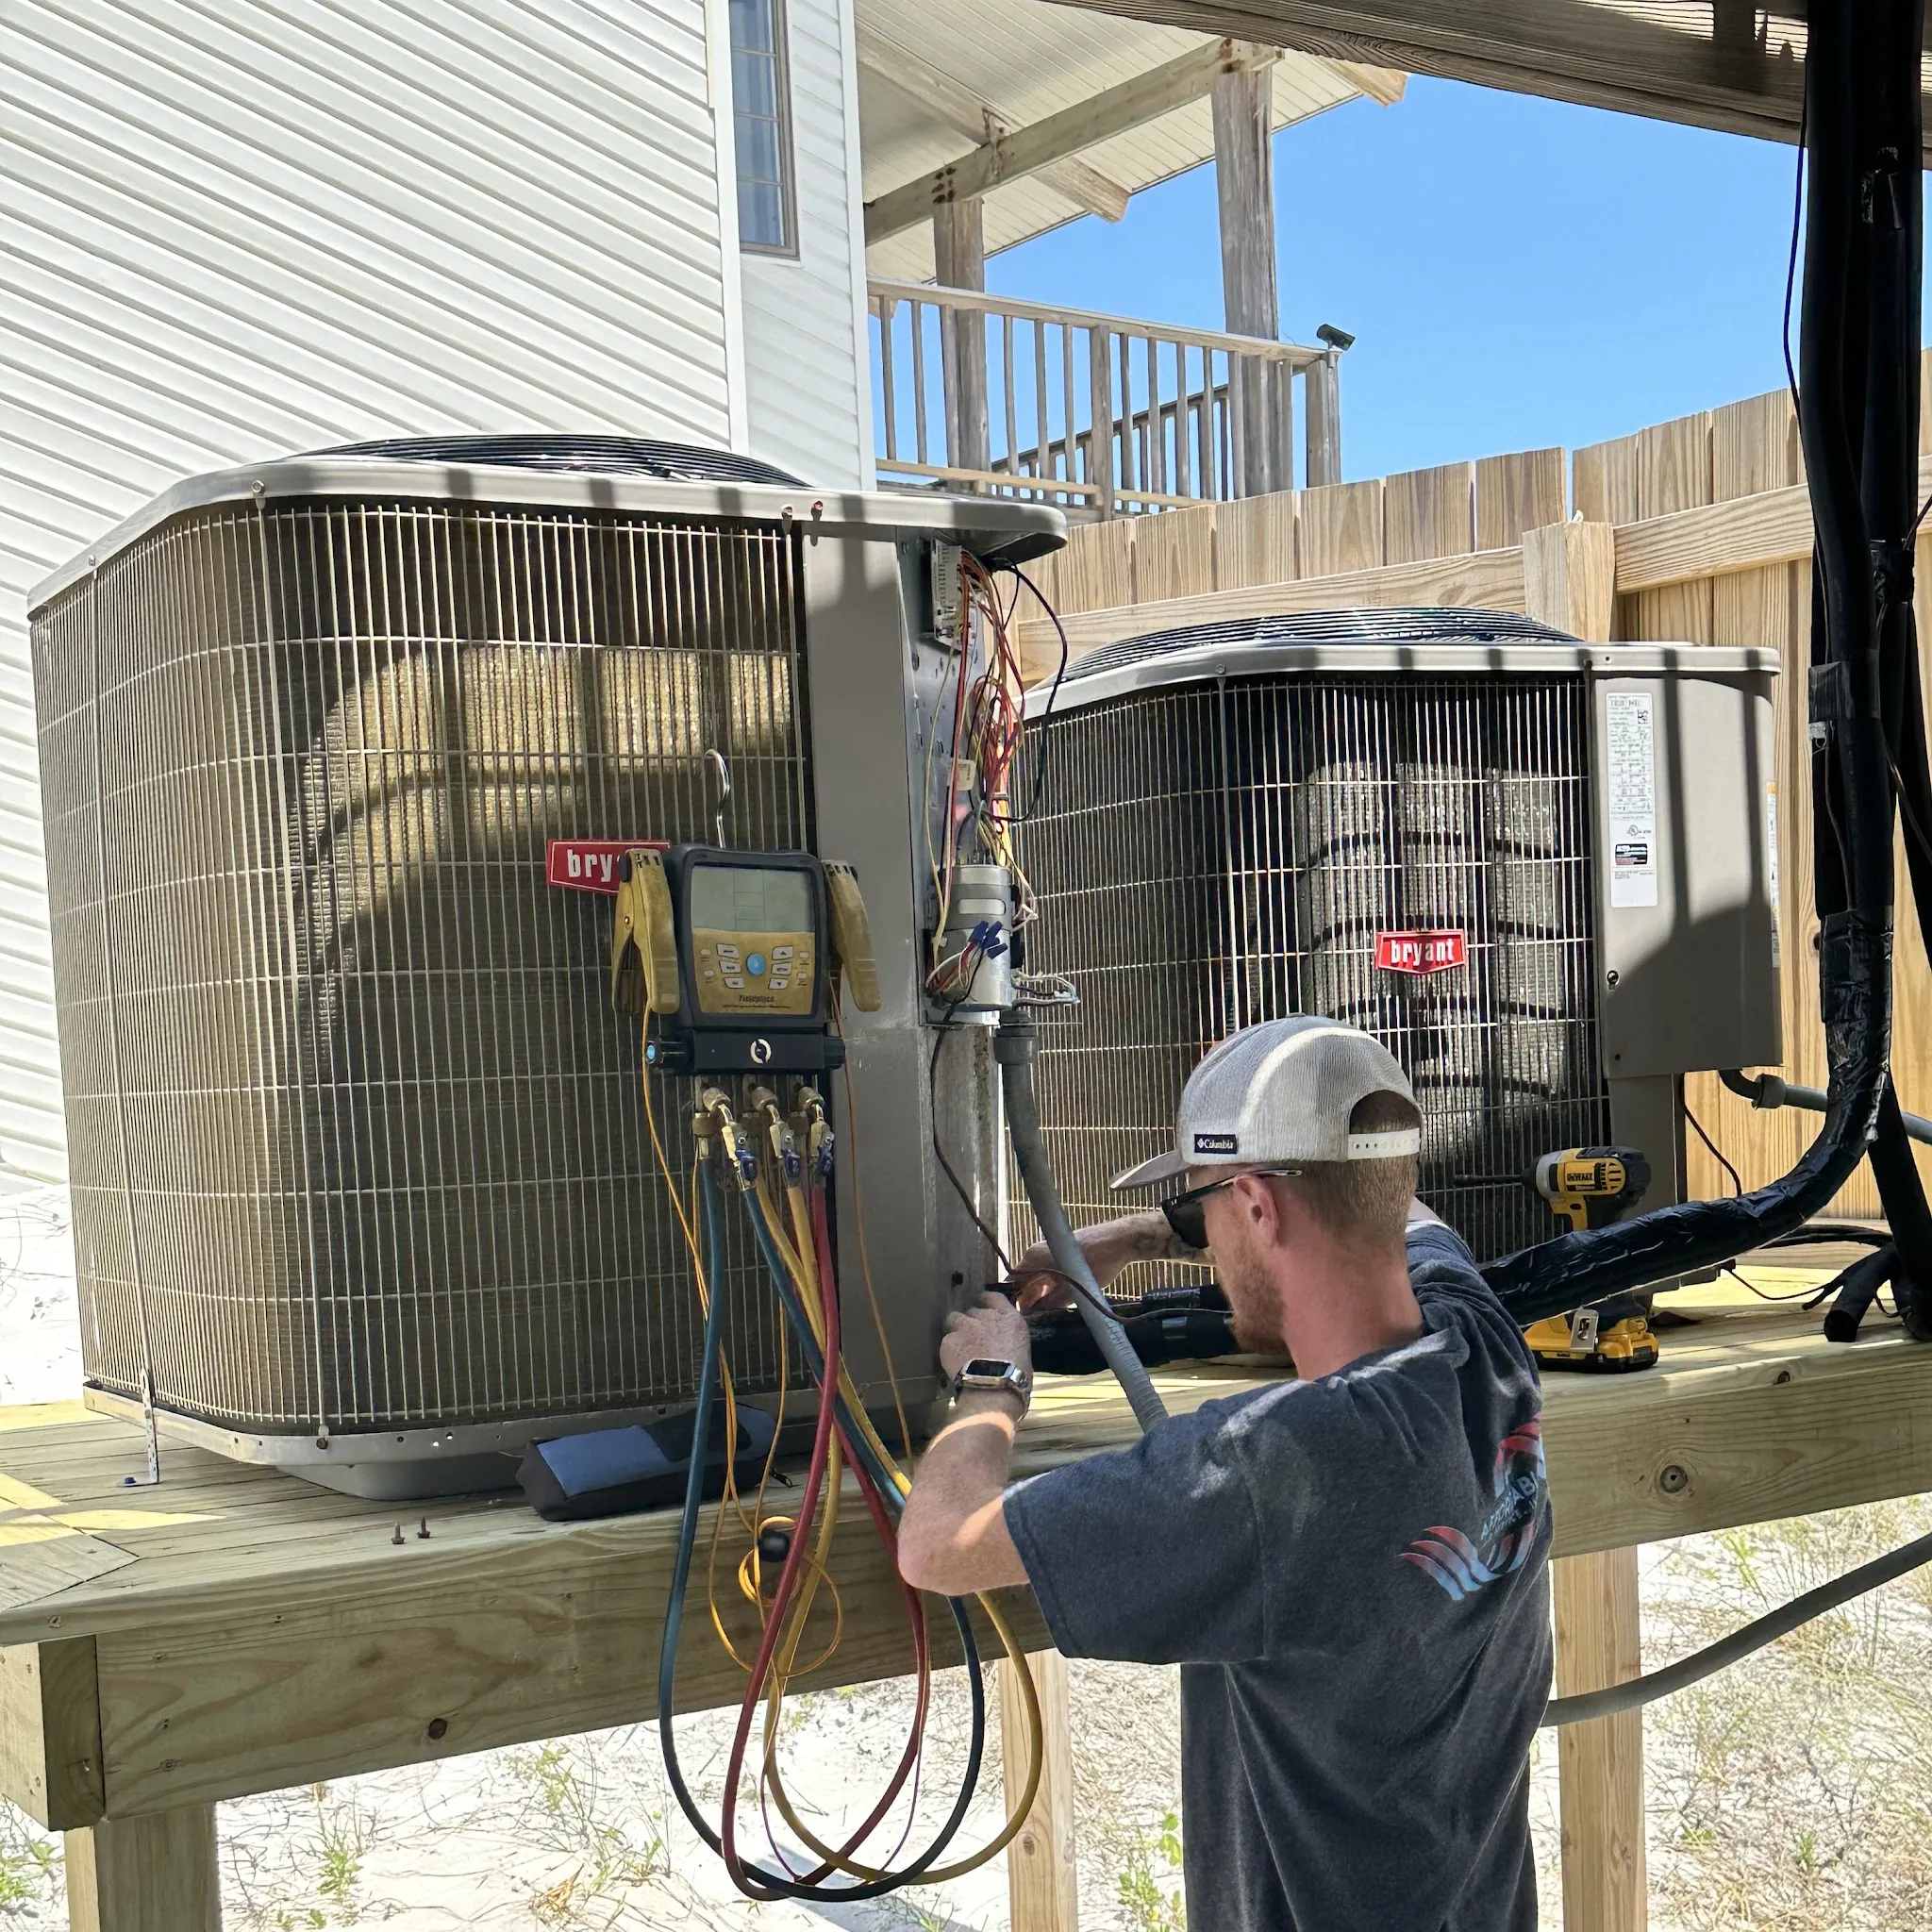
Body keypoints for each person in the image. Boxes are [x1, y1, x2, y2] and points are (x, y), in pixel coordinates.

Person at [896, 1016, 1552, 1931]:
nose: (1202, 1228)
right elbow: (1409, 1215)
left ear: (1255, 1206)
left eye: (1207, 1206)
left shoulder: (1270, 1471)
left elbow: (937, 1545)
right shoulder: (1482, 1343)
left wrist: (990, 1382)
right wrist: (1147, 1229)